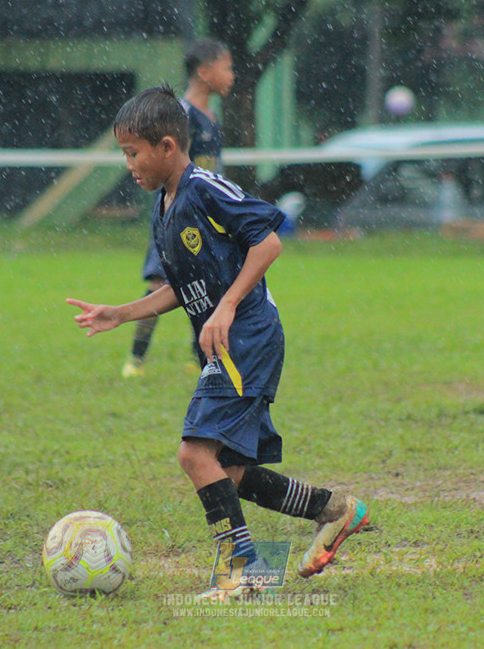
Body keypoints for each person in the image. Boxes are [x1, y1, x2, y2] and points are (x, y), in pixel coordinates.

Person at [69, 86, 369, 601]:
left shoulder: (204, 188)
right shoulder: (163, 206)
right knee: (227, 470)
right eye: (124, 154)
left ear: (167, 146)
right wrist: (121, 313)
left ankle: (246, 573)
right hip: (231, 341)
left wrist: (227, 306)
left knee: (194, 455)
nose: (129, 165)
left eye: (133, 153)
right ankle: (336, 510)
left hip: (247, 336)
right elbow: (178, 289)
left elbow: (268, 241)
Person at [122, 39, 234, 378]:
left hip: (206, 217)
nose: (232, 75)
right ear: (204, 72)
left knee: (205, 282)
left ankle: (197, 356)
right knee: (160, 284)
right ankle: (135, 358)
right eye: (226, 67)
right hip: (177, 215)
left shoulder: (212, 117)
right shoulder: (181, 116)